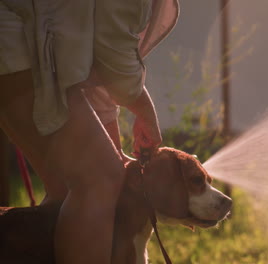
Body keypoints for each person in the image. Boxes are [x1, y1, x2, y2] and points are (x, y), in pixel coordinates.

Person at [0, 0, 179, 263]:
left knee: (71, 186)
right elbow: (112, 51)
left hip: (24, 43)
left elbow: (96, 61)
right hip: (16, 41)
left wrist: (114, 150)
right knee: (99, 178)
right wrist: (145, 112)